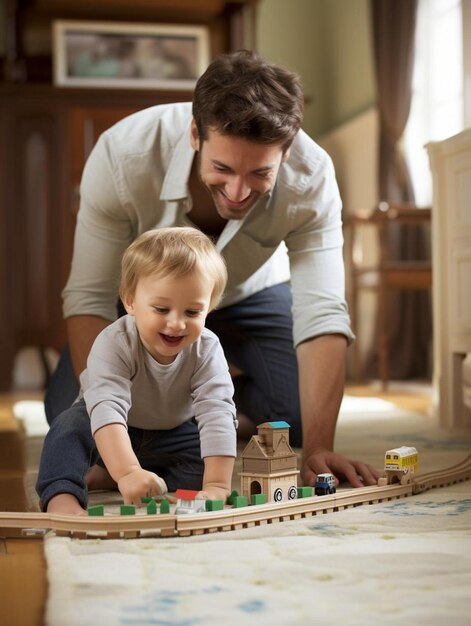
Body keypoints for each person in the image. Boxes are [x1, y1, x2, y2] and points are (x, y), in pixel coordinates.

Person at [47, 50, 380, 489]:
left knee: (296, 421)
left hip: (251, 295)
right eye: (222, 169)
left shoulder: (312, 177)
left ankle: (208, 383)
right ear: (194, 134)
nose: (238, 192)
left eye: (260, 173)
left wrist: (318, 447)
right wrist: (116, 446)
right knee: (70, 417)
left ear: (288, 149)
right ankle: (186, 388)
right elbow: (88, 296)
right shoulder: (122, 154)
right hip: (148, 307)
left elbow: (322, 312)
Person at [36, 227, 237, 515]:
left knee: (204, 460)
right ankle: (63, 495)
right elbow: (107, 408)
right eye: (161, 309)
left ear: (210, 307)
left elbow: (217, 411)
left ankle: (121, 477)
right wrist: (127, 471)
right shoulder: (114, 342)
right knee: (66, 429)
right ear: (130, 301)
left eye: (192, 313)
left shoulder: (207, 349)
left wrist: (217, 485)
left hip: (171, 433)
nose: (177, 323)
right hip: (111, 428)